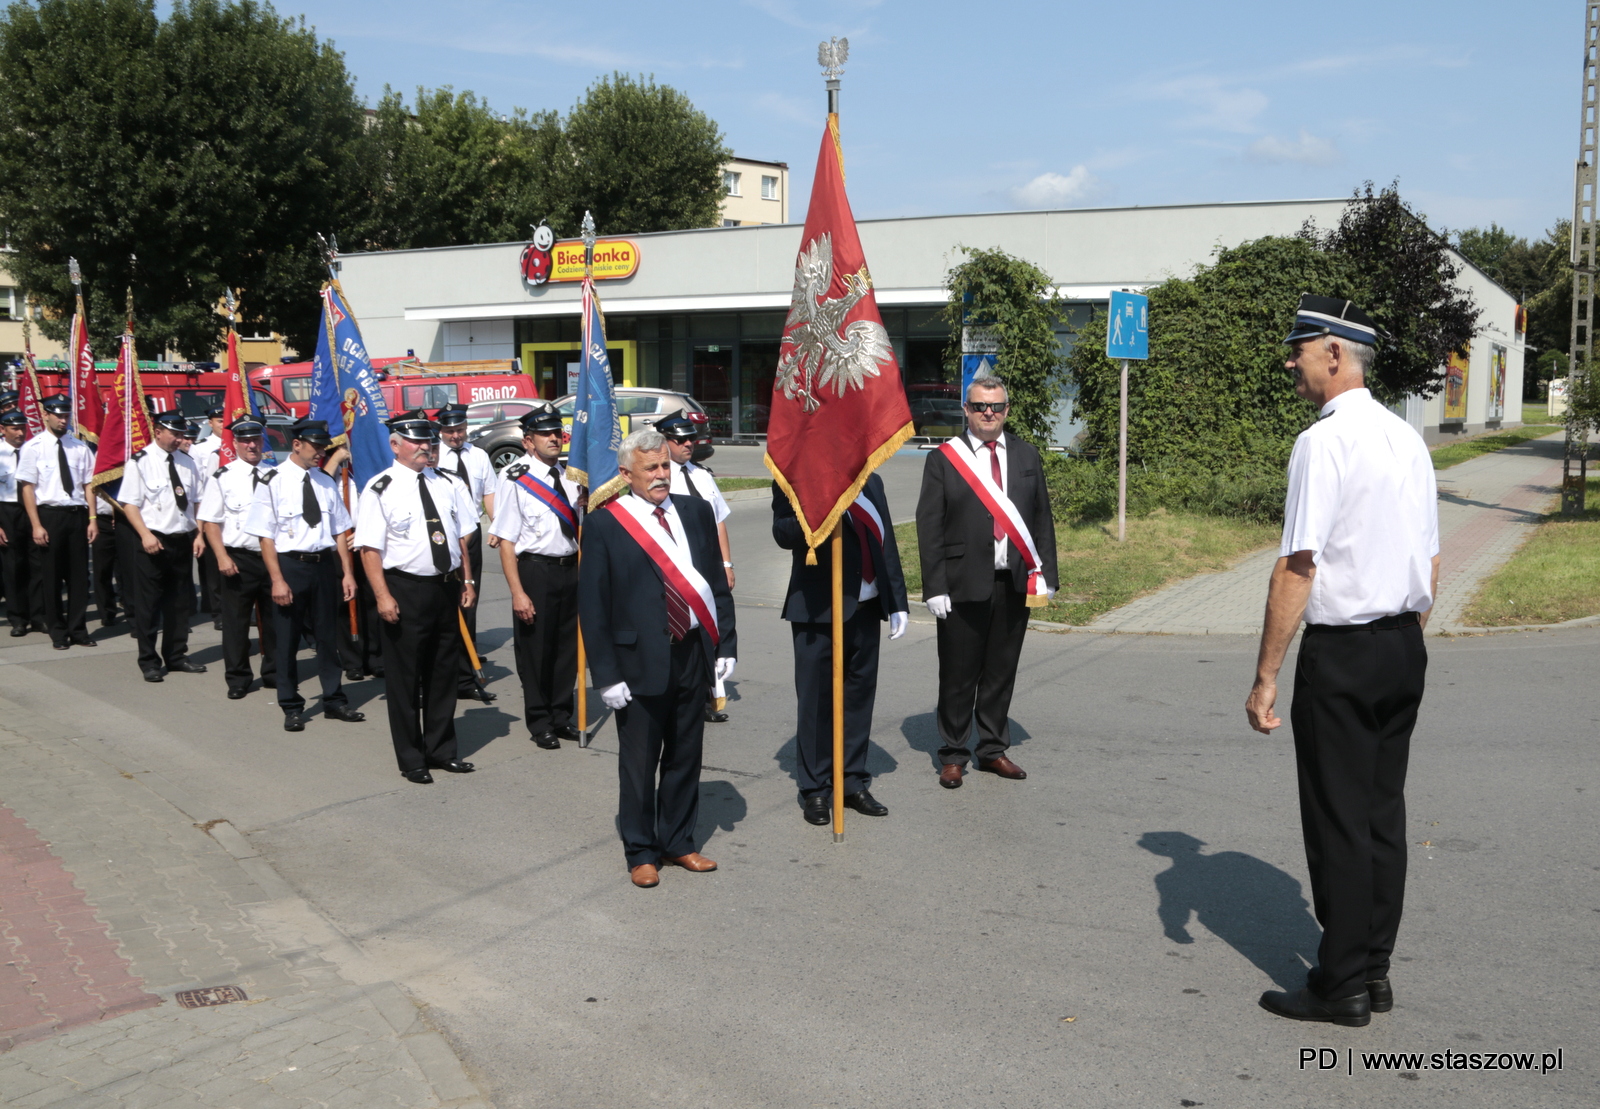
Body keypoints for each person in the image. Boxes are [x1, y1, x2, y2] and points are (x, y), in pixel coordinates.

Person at [1247, 295, 1439, 1028]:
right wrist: (1404, 632)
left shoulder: (1321, 443)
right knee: (1382, 813)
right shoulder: (1406, 438)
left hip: (1345, 651)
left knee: (1338, 821)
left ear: (1334, 353)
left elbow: (1298, 567)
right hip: (1401, 643)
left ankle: (1340, 984)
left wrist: (1267, 673)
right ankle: (1375, 970)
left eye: (1299, 348)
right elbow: (1431, 558)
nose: (1290, 361)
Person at [579, 428, 736, 888]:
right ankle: (641, 850)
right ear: (627, 474)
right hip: (636, 662)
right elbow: (594, 605)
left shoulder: (696, 510)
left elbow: (714, 583)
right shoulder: (607, 522)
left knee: (687, 754)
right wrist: (605, 674)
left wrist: (726, 644)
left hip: (691, 653)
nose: (662, 475)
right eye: (651, 468)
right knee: (639, 762)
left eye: (665, 465)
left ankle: (678, 841)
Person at [915, 374, 1057, 789]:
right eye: (979, 406)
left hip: (1014, 581)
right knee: (958, 674)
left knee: (1001, 670)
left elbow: (1041, 519)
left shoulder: (1027, 455)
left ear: (1007, 409)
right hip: (961, 582)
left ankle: (992, 749)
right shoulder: (943, 459)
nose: (988, 413)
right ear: (967, 410)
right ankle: (954, 754)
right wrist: (934, 586)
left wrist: (1046, 573)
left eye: (995, 406)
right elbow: (930, 526)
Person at [773, 471, 909, 825]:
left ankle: (850, 781)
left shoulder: (871, 481)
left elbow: (885, 539)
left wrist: (897, 601)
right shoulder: (795, 475)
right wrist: (819, 503)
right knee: (817, 701)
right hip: (819, 607)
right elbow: (783, 533)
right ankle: (816, 789)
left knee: (859, 698)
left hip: (867, 605)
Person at [353, 411, 477, 783]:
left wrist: (467, 581)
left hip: (445, 587)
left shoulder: (446, 482)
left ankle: (441, 750)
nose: (427, 446)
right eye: (418, 441)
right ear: (395, 445)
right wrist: (382, 596)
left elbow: (461, 537)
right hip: (404, 589)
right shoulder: (380, 487)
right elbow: (369, 550)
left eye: (429, 440)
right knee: (406, 679)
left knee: (442, 673)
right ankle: (412, 758)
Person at [244, 418, 363, 732]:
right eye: (316, 446)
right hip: (290, 566)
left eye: (324, 446)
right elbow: (265, 537)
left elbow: (339, 529)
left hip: (324, 565)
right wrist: (277, 579)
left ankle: (334, 699)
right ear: (296, 444)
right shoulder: (273, 481)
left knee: (328, 636)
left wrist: (347, 573)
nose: (321, 452)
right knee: (287, 640)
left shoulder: (324, 481)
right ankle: (291, 705)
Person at [491, 404, 584, 749]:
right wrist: (517, 592)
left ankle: (562, 716)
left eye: (557, 433)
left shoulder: (572, 476)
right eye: (545, 434)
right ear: (528, 441)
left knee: (565, 650)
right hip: (535, 571)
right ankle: (540, 720)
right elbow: (506, 540)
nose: (554, 439)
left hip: (569, 568)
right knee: (536, 651)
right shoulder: (515, 477)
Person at [658, 413, 736, 723]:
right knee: (683, 632)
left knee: (710, 628)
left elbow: (719, 522)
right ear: (665, 441)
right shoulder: (661, 478)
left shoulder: (701, 475)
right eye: (681, 439)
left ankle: (707, 696)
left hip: (707, 565)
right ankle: (681, 696)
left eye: (691, 438)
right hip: (676, 566)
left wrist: (726, 564)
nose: (689, 443)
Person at [119, 410, 207, 680]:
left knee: (179, 603)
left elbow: (198, 501)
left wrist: (200, 534)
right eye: (174, 433)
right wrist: (145, 534)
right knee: (149, 604)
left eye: (182, 434)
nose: (179, 438)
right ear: (158, 431)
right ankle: (148, 660)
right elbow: (129, 504)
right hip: (153, 540)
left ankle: (176, 655)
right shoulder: (140, 462)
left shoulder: (188, 462)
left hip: (182, 539)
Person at [198, 416, 277, 699]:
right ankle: (238, 678)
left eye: (255, 439)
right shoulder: (223, 477)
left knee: (274, 619)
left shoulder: (275, 475)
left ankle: (274, 672)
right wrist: (221, 556)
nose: (251, 445)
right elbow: (210, 521)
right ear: (235, 443)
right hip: (238, 558)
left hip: (272, 560)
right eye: (245, 440)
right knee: (235, 622)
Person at [16, 393, 97, 650]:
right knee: (51, 578)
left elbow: (88, 486)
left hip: (77, 515)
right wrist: (36, 525)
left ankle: (78, 629)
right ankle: (58, 633)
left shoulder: (80, 447)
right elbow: (28, 488)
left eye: (66, 415)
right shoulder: (33, 447)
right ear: (46, 416)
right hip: (49, 516)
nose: (63, 420)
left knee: (79, 578)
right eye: (59, 415)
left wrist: (92, 519)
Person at [434, 403, 499, 703]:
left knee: (468, 600)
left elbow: (488, 492)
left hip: (470, 533)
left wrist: (496, 525)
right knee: (444, 606)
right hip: (443, 538)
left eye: (460, 430)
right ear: (441, 431)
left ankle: (467, 659)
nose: (456, 436)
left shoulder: (479, 455)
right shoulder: (432, 455)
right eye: (449, 431)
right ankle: (448, 665)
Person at [0, 409, 39, 636]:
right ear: (2, 430)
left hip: (32, 509)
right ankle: (18, 618)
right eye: (15, 428)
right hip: (7, 510)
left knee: (37, 565)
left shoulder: (32, 451)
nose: (20, 433)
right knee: (13, 567)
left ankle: (39, 616)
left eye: (23, 428)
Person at [188, 405, 228, 625]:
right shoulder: (201, 449)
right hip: (208, 506)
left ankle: (228, 606)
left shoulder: (234, 444)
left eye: (225, 420)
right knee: (211, 564)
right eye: (219, 420)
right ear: (210, 423)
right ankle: (216, 608)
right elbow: (196, 483)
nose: (222, 424)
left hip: (232, 508)